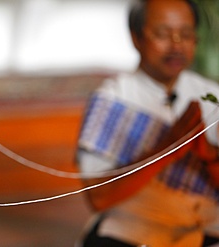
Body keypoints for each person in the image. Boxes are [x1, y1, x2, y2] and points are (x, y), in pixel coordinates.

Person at [76, 0, 219, 246]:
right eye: (163, 34)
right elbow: (98, 198)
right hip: (133, 227)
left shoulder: (211, 96)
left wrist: (209, 155)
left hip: (204, 223)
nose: (176, 45)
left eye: (185, 34)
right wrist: (168, 146)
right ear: (136, 38)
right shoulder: (111, 101)